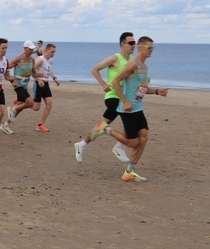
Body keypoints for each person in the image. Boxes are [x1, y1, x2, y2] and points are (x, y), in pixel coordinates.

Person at [88, 36, 168, 181]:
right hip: (127, 109)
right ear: (141, 47)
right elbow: (115, 81)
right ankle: (105, 128)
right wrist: (124, 102)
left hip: (138, 107)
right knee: (133, 143)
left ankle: (129, 172)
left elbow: (142, 89)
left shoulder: (144, 67)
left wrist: (157, 92)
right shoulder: (132, 64)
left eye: (153, 48)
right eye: (150, 48)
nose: (152, 51)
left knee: (144, 138)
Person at [73, 32, 135, 163]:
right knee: (132, 118)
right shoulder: (114, 58)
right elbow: (95, 69)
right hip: (113, 97)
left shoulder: (132, 61)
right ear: (122, 44)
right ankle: (119, 146)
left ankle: (82, 144)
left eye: (134, 43)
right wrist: (103, 84)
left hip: (123, 97)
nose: (133, 46)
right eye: (131, 43)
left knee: (101, 125)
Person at [2, 41, 38, 134]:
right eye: (30, 49)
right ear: (25, 48)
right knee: (30, 103)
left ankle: (5, 125)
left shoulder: (32, 60)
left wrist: (39, 75)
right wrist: (12, 81)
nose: (31, 51)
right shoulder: (17, 59)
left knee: (20, 106)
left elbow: (34, 72)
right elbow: (7, 70)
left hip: (25, 86)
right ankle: (12, 109)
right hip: (17, 85)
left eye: (32, 49)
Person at [32, 43, 60, 132]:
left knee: (49, 104)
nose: (53, 53)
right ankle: (22, 101)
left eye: (54, 52)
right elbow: (31, 71)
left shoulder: (50, 60)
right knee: (36, 108)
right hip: (38, 84)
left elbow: (49, 70)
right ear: (46, 51)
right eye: (52, 52)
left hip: (46, 84)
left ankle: (40, 124)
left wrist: (54, 78)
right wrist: (39, 80)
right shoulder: (40, 60)